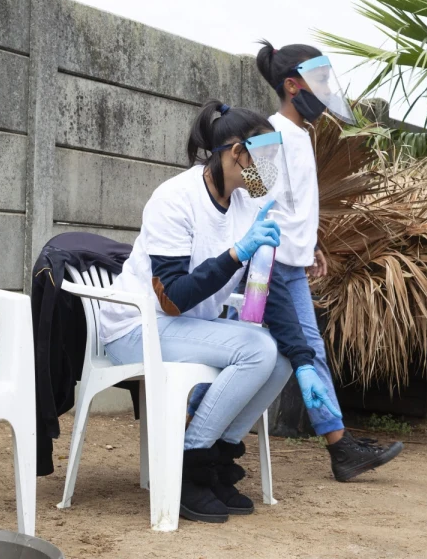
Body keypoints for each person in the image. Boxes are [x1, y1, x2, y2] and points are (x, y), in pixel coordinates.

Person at [98, 100, 339, 524]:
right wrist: (235, 254)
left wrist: (304, 363)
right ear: (235, 153)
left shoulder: (248, 202)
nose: (270, 169)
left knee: (280, 353)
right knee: (257, 350)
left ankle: (218, 456)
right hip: (137, 328)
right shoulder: (174, 198)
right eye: (263, 157)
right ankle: (190, 462)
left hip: (187, 327)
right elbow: (173, 297)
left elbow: (272, 291)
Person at [188, 41, 404, 481]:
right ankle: (340, 447)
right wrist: (282, 252)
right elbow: (255, 197)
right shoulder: (269, 134)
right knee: (306, 349)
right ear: (292, 84)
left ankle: (200, 412)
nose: (327, 90)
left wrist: (313, 245)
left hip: (289, 257)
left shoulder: (302, 134)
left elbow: (294, 204)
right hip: (271, 264)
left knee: (288, 353)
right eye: (320, 81)